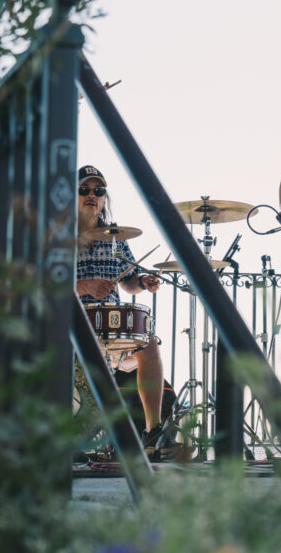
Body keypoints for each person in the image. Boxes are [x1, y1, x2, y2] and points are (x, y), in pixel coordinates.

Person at [75, 164, 170, 456]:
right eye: (85, 190)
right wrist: (85, 287)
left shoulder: (116, 240)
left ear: (105, 198)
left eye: (99, 191)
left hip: (110, 327)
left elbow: (127, 282)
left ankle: (152, 433)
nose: (92, 195)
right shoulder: (58, 237)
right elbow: (47, 281)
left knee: (149, 346)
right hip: (72, 325)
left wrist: (143, 281)